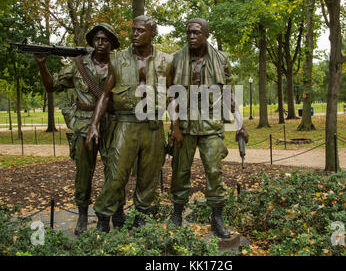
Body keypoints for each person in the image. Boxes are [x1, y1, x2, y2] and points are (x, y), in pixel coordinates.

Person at [86, 15, 172, 232]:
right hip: (126, 123)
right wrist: (94, 125)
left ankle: (141, 217)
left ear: (152, 34)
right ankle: (104, 218)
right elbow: (105, 96)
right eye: (133, 30)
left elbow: (174, 96)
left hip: (153, 125)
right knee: (116, 175)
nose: (134, 34)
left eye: (140, 31)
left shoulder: (166, 61)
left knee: (149, 176)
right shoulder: (118, 59)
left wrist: (176, 130)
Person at [34, 23, 121, 236]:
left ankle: (116, 211)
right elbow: (51, 86)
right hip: (83, 124)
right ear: (91, 41)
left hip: (112, 123)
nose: (100, 42)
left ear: (112, 43)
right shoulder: (77, 65)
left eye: (105, 39)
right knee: (84, 172)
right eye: (97, 39)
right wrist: (42, 66)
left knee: (116, 170)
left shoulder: (120, 64)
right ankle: (82, 214)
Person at [168, 18, 249, 238]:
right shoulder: (175, 58)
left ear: (206, 35)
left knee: (214, 172)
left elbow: (229, 93)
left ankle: (217, 217)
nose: (191, 37)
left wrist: (239, 123)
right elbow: (171, 95)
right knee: (180, 171)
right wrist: (174, 126)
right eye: (188, 33)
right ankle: (176, 213)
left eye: (196, 33)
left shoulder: (221, 59)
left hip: (211, 124)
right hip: (184, 125)